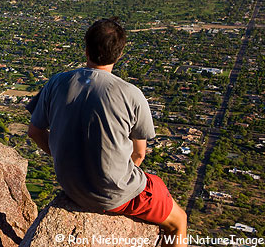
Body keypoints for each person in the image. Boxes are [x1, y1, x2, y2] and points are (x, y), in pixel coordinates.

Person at [27, 18, 187, 247]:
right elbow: (139, 154)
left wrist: (63, 156)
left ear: (86, 49)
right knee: (178, 221)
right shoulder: (131, 94)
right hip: (113, 195)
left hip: (70, 185)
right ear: (119, 54)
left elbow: (34, 131)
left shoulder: (57, 82)